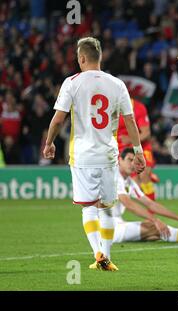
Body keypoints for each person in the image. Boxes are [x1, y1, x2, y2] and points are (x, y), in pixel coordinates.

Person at [43, 37, 146, 272]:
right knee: (107, 208)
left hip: (82, 156)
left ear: (81, 58)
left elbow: (59, 119)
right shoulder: (117, 84)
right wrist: (138, 152)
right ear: (100, 57)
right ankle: (107, 257)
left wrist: (49, 143)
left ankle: (96, 252)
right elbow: (129, 121)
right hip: (109, 155)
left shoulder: (72, 83)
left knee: (88, 207)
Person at [117, 98, 159, 200]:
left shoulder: (138, 108)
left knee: (144, 175)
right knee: (135, 183)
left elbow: (146, 133)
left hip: (142, 145)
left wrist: (129, 139)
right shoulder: (111, 108)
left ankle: (151, 214)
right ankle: (146, 173)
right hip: (123, 148)